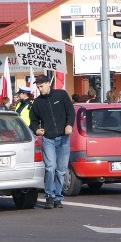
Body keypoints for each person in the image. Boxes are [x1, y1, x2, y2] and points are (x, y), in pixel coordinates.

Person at [28, 74, 75, 210]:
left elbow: (70, 112)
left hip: (63, 138)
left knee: (61, 170)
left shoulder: (61, 95)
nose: (40, 89)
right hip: (48, 138)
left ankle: (58, 197)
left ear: (48, 83)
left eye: (41, 86)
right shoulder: (37, 102)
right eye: (38, 87)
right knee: (50, 167)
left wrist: (69, 125)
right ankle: (49, 196)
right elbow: (33, 119)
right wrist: (36, 129)